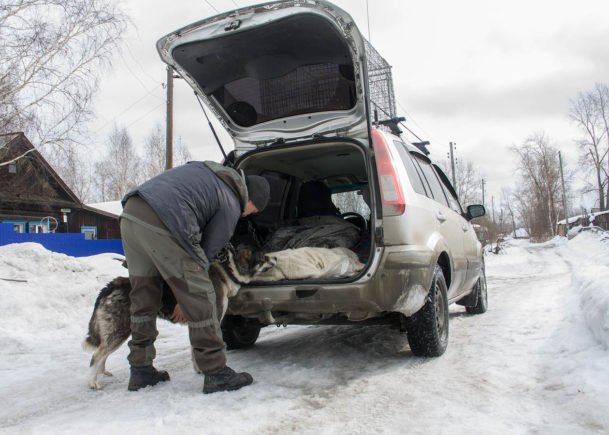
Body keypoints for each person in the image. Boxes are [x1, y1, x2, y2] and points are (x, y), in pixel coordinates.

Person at [119, 160, 270, 394]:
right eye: (254, 210)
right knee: (203, 295)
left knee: (144, 296)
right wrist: (186, 296)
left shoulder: (210, 174)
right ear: (251, 199)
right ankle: (215, 371)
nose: (249, 214)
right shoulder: (230, 200)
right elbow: (207, 253)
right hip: (164, 218)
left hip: (131, 214)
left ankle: (141, 369)